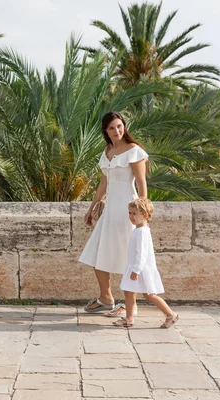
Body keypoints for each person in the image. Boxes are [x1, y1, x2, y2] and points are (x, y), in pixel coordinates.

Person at [80, 111, 148, 316]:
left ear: (124, 126)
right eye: (112, 128)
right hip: (110, 210)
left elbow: (142, 182)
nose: (117, 131)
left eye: (119, 126)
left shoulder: (133, 150)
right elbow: (103, 183)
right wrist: (91, 208)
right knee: (96, 253)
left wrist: (142, 212)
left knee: (130, 256)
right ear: (105, 131)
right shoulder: (107, 150)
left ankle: (131, 306)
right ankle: (106, 298)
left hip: (128, 208)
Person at [112, 198, 179, 328]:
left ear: (145, 215)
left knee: (149, 295)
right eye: (130, 213)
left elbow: (142, 253)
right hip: (137, 267)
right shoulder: (139, 230)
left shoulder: (142, 232)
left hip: (140, 268)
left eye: (134, 214)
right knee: (129, 292)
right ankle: (129, 319)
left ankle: (171, 314)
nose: (131, 216)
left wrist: (136, 270)